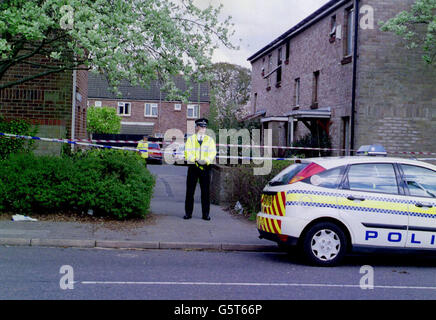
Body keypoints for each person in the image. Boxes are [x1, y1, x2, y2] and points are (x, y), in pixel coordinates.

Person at [184, 118, 216, 221]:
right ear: (196, 127)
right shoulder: (191, 139)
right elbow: (187, 152)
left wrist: (205, 160)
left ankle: (205, 214)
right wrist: (195, 159)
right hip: (193, 166)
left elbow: (212, 153)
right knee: (190, 191)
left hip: (206, 167)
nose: (203, 128)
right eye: (201, 126)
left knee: (206, 192)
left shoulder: (210, 140)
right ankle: (188, 213)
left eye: (205, 127)